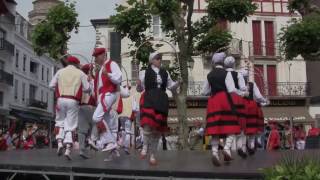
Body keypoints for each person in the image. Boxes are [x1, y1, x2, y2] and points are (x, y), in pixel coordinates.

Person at [137, 51, 179, 166]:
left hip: (161, 100)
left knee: (157, 131)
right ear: (151, 60)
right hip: (150, 98)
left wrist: (178, 83)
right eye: (157, 58)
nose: (159, 60)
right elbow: (140, 89)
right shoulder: (144, 72)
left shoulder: (165, 73)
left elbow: (171, 86)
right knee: (147, 125)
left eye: (160, 58)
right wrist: (139, 85)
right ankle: (145, 147)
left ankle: (153, 155)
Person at [201, 52, 243, 167]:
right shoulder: (226, 73)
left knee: (215, 130)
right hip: (225, 100)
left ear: (214, 63)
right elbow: (231, 89)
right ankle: (226, 148)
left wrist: (213, 89)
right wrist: (242, 92)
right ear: (222, 62)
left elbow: (204, 92)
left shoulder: (209, 75)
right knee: (231, 127)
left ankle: (214, 153)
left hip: (213, 101)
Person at [49, 56, 92, 160]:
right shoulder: (80, 73)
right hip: (73, 100)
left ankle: (59, 143)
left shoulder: (60, 72)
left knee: (59, 121)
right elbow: (87, 89)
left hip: (60, 99)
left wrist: (59, 89)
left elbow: (51, 86)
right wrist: (89, 81)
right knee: (71, 124)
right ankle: (68, 149)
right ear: (77, 64)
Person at [91, 48, 122, 158]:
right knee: (106, 122)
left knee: (96, 117)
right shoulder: (101, 69)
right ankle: (113, 151)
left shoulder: (111, 64)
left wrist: (107, 74)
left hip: (108, 94)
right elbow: (98, 85)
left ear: (103, 55)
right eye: (95, 56)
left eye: (97, 56)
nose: (95, 58)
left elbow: (119, 78)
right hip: (103, 95)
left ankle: (110, 142)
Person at [224, 56, 248, 158]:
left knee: (228, 125)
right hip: (237, 100)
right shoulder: (238, 74)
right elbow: (242, 88)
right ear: (234, 64)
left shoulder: (223, 74)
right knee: (240, 124)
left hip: (224, 100)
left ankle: (229, 149)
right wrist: (244, 92)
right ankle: (239, 148)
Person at [239, 68, 268, 154]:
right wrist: (264, 100)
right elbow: (258, 97)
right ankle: (251, 146)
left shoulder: (236, 85)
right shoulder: (252, 84)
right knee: (251, 128)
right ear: (247, 77)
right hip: (251, 106)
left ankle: (243, 148)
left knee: (242, 129)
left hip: (240, 106)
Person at [77, 63, 99, 159]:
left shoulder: (79, 80)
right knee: (95, 123)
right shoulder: (93, 80)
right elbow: (94, 95)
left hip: (81, 107)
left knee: (81, 130)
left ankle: (81, 149)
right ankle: (92, 140)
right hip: (91, 106)